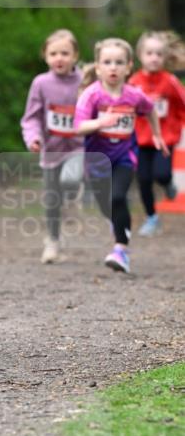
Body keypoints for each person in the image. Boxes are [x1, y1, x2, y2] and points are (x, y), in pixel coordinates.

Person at [74, 37, 168, 274]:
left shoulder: (134, 95)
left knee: (117, 197)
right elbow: (79, 126)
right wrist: (100, 122)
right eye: (107, 62)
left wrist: (157, 135)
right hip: (97, 160)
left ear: (128, 67)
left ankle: (120, 250)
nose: (113, 67)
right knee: (109, 204)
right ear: (98, 68)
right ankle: (117, 224)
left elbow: (151, 111)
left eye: (119, 62)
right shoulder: (92, 95)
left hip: (125, 157)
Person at [20, 29, 84, 263]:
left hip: (79, 147)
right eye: (54, 53)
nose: (60, 58)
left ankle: (73, 194)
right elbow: (32, 117)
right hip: (51, 150)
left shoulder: (85, 80)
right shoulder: (41, 83)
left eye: (65, 53)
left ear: (75, 55)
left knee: (69, 181)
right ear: (46, 56)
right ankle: (53, 241)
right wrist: (33, 138)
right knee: (51, 200)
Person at [129, 31, 185, 235]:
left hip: (164, 139)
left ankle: (168, 184)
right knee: (143, 180)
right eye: (149, 53)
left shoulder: (170, 81)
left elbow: (183, 104)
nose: (154, 58)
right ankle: (152, 217)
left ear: (164, 58)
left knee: (161, 174)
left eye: (159, 54)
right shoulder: (134, 82)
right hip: (141, 140)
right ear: (140, 56)